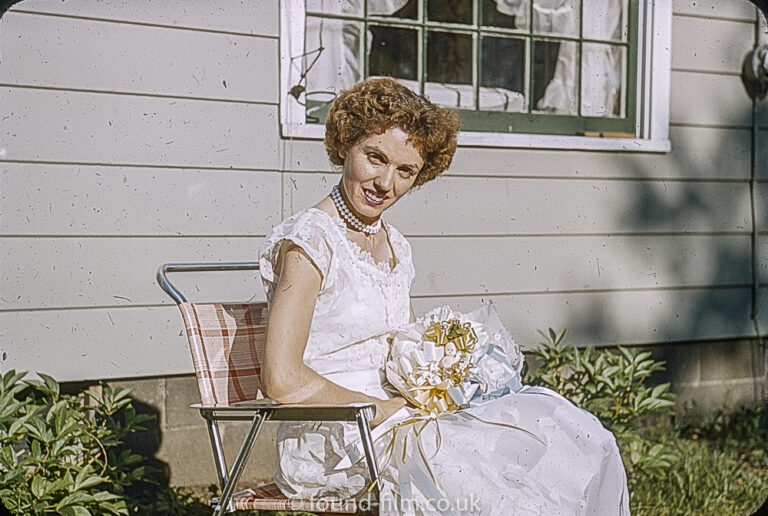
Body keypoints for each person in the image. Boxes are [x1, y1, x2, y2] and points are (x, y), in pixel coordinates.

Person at [259, 77, 629, 515]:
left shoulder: (395, 243)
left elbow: (403, 345)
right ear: (345, 145)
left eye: (405, 171)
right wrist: (381, 409)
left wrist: (442, 375)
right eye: (375, 158)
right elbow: (281, 378)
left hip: (398, 418)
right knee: (496, 480)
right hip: (336, 437)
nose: (384, 182)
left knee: (570, 434)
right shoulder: (310, 240)